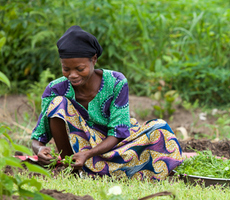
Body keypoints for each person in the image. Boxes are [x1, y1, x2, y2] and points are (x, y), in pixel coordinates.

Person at [31, 25, 183, 181]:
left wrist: (89, 154)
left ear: (94, 60)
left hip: (116, 146)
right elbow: (38, 137)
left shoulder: (116, 82)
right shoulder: (55, 89)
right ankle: (73, 169)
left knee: (159, 129)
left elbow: (118, 133)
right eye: (66, 69)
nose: (72, 75)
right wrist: (40, 149)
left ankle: (97, 169)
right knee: (57, 103)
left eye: (79, 68)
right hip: (79, 151)